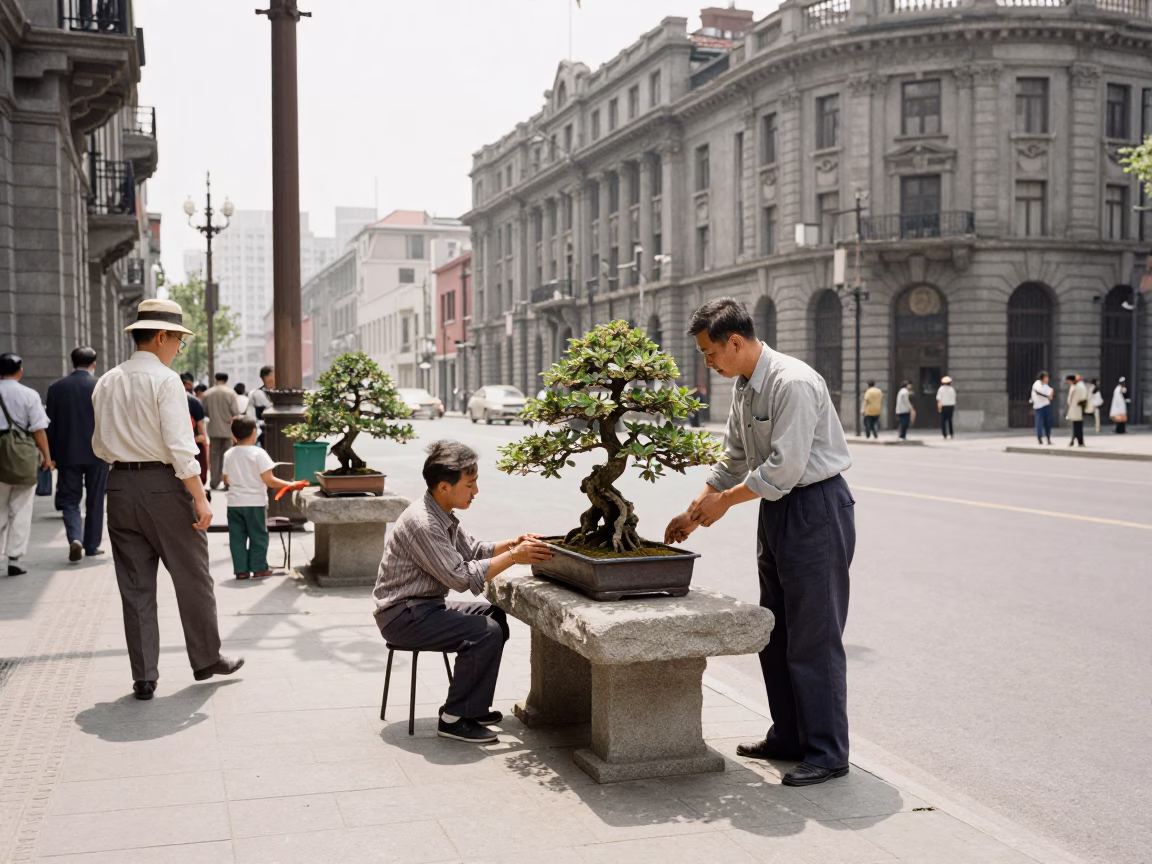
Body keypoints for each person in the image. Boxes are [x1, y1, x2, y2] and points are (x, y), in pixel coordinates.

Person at [663, 298, 854, 788]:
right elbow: (732, 459)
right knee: (778, 631)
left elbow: (784, 469)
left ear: (736, 341)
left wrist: (724, 503)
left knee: (814, 637)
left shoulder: (792, 382)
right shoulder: (746, 388)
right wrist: (695, 507)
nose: (708, 363)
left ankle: (828, 752)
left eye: (710, 354)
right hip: (777, 512)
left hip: (815, 510)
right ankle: (789, 735)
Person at [91, 298, 243, 701]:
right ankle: (206, 657)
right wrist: (201, 498)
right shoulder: (165, 380)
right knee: (192, 575)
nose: (179, 348)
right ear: (162, 336)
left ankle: (144, 676)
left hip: (119, 484)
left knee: (136, 584)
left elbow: (101, 446)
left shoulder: (106, 380)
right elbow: (180, 447)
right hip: (163, 486)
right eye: (178, 339)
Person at [373, 440, 552, 744]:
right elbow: (460, 577)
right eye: (470, 484)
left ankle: (473, 706)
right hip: (403, 617)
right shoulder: (424, 523)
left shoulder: (440, 512)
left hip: (423, 608)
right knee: (486, 632)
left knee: (494, 614)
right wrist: (515, 557)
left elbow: (473, 550)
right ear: (444, 486)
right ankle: (454, 718)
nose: (476, 491)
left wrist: (513, 543)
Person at [46, 347, 107, 563]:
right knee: (96, 499)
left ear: (71, 362)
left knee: (70, 499)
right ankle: (91, 545)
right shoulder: (102, 387)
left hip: (67, 454)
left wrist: (50, 455)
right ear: (94, 364)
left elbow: (49, 425)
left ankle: (75, 537)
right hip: (98, 454)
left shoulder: (56, 388)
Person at [222, 415, 301, 579]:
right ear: (254, 432)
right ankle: (259, 567)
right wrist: (291, 485)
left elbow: (226, 479)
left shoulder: (229, 454)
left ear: (234, 434)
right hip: (254, 502)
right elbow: (269, 481)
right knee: (258, 535)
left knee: (237, 538)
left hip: (234, 503)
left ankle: (241, 570)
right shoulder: (258, 453)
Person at [0, 353, 53, 576]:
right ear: (20, 370)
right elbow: (38, 429)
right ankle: (15, 557)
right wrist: (47, 457)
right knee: (21, 507)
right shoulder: (29, 395)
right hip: (21, 457)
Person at [202, 372, 240, 490]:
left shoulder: (207, 394)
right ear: (226, 380)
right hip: (228, 430)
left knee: (214, 457)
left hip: (213, 430)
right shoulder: (231, 393)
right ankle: (227, 483)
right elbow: (236, 412)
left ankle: (214, 482)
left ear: (215, 379)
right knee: (228, 458)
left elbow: (204, 411)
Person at [181, 373, 210, 492]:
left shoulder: (167, 398)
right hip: (194, 443)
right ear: (188, 384)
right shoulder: (193, 401)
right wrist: (204, 441)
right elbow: (200, 425)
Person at [249, 366, 274, 447]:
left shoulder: (281, 392)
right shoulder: (257, 393)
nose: (273, 378)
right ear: (264, 378)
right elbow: (251, 413)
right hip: (263, 429)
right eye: (271, 375)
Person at [1030, 371, 1054, 445]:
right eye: (1046, 377)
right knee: (1039, 423)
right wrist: (1048, 395)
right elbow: (1040, 393)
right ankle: (1039, 438)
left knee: (1048, 423)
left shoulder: (1046, 386)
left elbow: (1051, 396)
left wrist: (1050, 394)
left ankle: (1048, 438)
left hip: (1046, 406)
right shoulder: (1036, 384)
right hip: (1038, 407)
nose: (1047, 379)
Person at [1065, 374, 1087, 447]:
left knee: (1076, 427)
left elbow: (1070, 399)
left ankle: (1075, 441)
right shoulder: (1080, 386)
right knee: (1077, 426)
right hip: (1077, 409)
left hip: (1075, 408)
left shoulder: (1076, 387)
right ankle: (1078, 441)